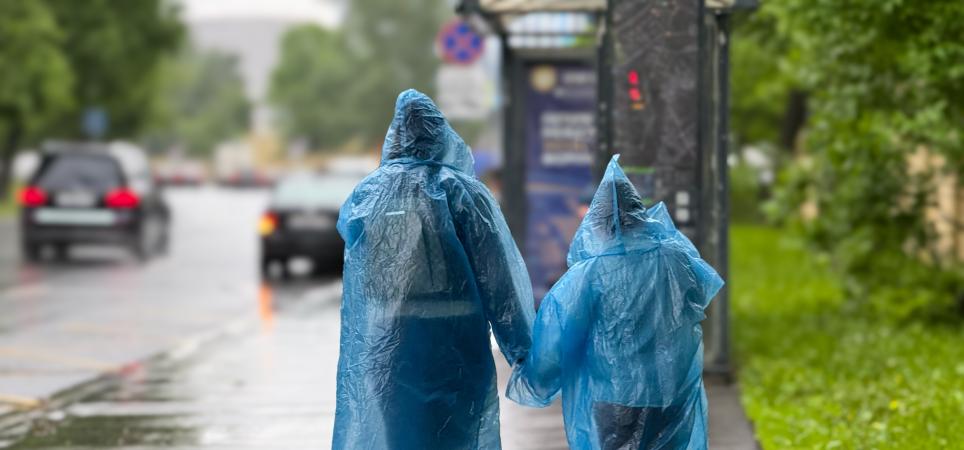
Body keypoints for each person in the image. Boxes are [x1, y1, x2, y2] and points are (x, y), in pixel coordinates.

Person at [332, 89, 534, 450]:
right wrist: (522, 349)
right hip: (454, 344)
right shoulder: (462, 193)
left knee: (400, 438)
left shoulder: (367, 194)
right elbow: (497, 277)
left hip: (389, 347)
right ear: (440, 134)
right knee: (453, 438)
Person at [508, 155, 724, 450]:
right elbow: (699, 296)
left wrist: (535, 379)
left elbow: (558, 336)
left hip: (618, 396)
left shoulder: (589, 273)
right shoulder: (676, 258)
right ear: (639, 214)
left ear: (597, 223)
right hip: (672, 391)